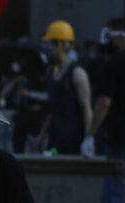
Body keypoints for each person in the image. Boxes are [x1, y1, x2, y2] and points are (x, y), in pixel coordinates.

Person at [80, 18, 125, 203]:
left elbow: (104, 102)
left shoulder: (115, 63)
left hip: (122, 139)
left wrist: (90, 135)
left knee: (115, 193)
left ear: (121, 36)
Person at [35, 20, 93, 155]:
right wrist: (41, 137)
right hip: (55, 139)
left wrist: (89, 139)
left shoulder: (77, 74)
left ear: (62, 45)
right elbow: (52, 109)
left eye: (51, 44)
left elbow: (86, 108)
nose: (48, 48)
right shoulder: (50, 72)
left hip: (74, 140)